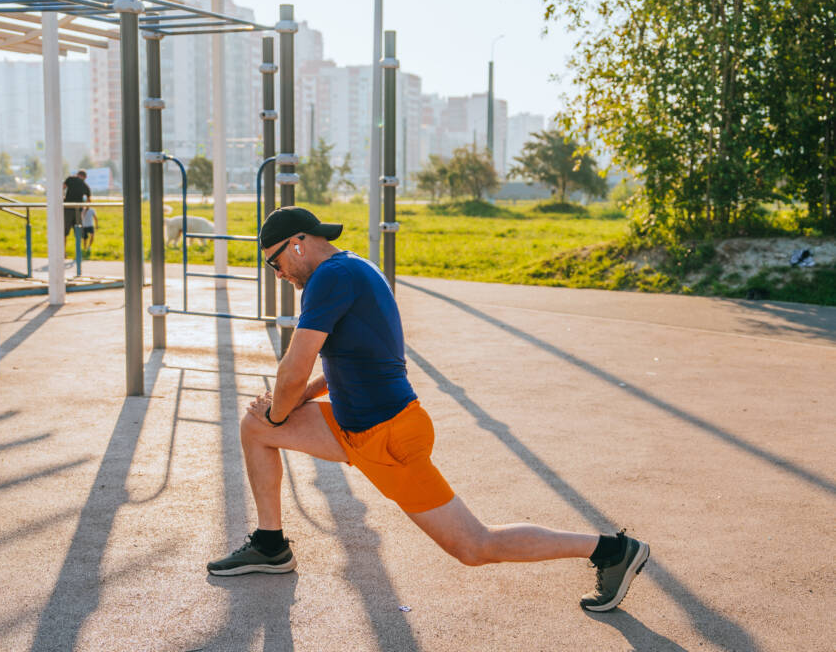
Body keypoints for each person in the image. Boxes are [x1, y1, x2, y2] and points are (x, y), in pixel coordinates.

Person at [207, 207, 649, 612]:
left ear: (298, 242)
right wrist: (284, 409)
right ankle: (270, 544)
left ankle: (611, 550)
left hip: (388, 436)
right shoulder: (354, 268)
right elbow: (356, 361)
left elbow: (294, 368)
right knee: (255, 427)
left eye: (275, 262)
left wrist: (281, 411)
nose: (277, 274)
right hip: (356, 425)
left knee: (475, 546)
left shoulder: (328, 279)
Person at [63, 170, 91, 242]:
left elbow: (62, 187)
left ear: (77, 174)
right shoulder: (85, 185)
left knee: (64, 232)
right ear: (85, 177)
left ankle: (63, 251)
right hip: (78, 210)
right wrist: (86, 210)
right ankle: (78, 251)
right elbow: (89, 200)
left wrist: (62, 199)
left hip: (67, 208)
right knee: (78, 231)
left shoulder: (70, 179)